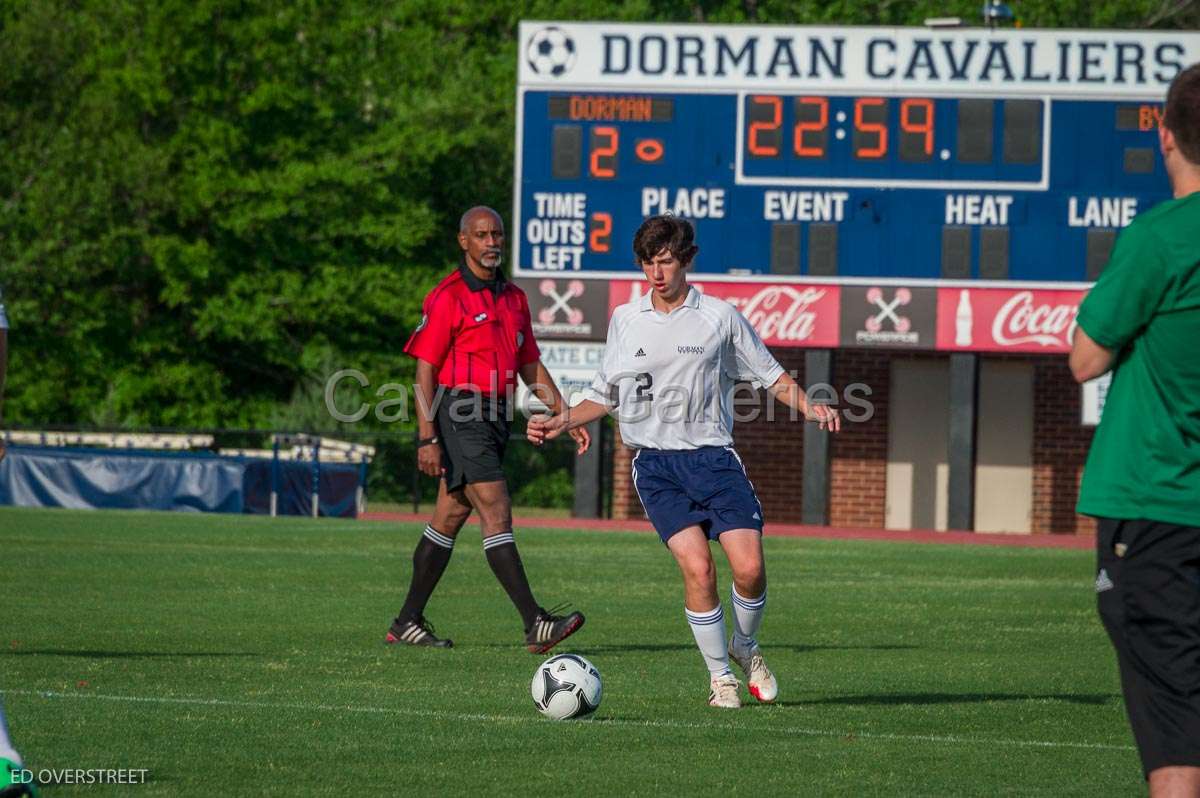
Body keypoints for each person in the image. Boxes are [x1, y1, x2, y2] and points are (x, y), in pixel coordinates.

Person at [528, 214, 840, 708]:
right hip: (656, 467)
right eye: (649, 263)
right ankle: (721, 678)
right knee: (699, 570)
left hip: (714, 462)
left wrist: (810, 406)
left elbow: (770, 374)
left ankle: (746, 646)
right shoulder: (625, 320)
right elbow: (604, 393)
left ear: (687, 260)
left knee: (751, 569)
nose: (657, 273)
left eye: (666, 261)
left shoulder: (720, 317)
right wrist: (561, 420)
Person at [1070, 63, 1200, 798]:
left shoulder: (1161, 238)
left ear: (1165, 133)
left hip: (1158, 506)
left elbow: (1086, 357)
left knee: (1177, 725)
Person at [386, 206, 589, 653]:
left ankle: (406, 621)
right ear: (464, 241)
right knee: (495, 507)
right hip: (459, 410)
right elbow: (424, 371)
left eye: (497, 233)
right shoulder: (447, 296)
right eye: (481, 235)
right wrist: (426, 436)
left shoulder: (514, 298)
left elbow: (529, 364)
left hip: (497, 415)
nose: (492, 241)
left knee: (452, 514)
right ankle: (535, 622)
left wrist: (566, 413)